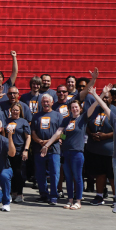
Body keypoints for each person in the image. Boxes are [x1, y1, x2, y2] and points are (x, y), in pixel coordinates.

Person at [46, 79, 103, 209]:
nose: (74, 109)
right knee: (68, 177)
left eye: (76, 107)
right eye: (72, 107)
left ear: (80, 108)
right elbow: (60, 133)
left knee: (78, 177)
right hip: (66, 152)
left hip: (77, 152)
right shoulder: (66, 120)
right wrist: (49, 144)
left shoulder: (83, 118)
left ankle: (78, 201)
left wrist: (101, 94)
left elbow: (94, 105)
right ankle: (70, 200)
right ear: (69, 109)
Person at [31, 95, 64, 205]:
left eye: (47, 102)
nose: (45, 103)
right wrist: (40, 141)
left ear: (52, 102)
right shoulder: (36, 116)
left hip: (54, 149)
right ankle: (43, 194)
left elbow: (63, 134)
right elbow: (33, 132)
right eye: (43, 101)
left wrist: (50, 141)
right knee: (40, 173)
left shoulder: (58, 116)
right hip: (39, 149)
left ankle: (54, 196)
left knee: (55, 172)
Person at [4, 101, 30, 203]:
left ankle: (20, 193)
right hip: (8, 150)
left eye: (17, 110)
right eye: (13, 110)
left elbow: (28, 137)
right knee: (9, 172)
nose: (15, 112)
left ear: (20, 111)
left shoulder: (23, 122)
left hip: (19, 150)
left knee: (19, 172)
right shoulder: (6, 121)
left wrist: (26, 150)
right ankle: (12, 192)